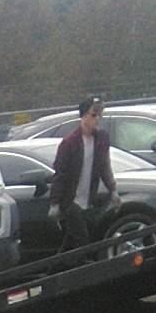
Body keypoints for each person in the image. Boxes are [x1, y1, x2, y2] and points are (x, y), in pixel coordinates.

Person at [51, 97, 116, 250]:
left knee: (70, 244)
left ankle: (55, 271)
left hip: (88, 200)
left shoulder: (102, 138)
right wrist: (54, 203)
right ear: (83, 116)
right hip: (71, 201)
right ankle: (79, 271)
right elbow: (60, 174)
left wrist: (113, 190)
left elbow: (105, 166)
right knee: (82, 241)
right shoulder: (69, 143)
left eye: (100, 114)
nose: (98, 119)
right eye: (94, 115)